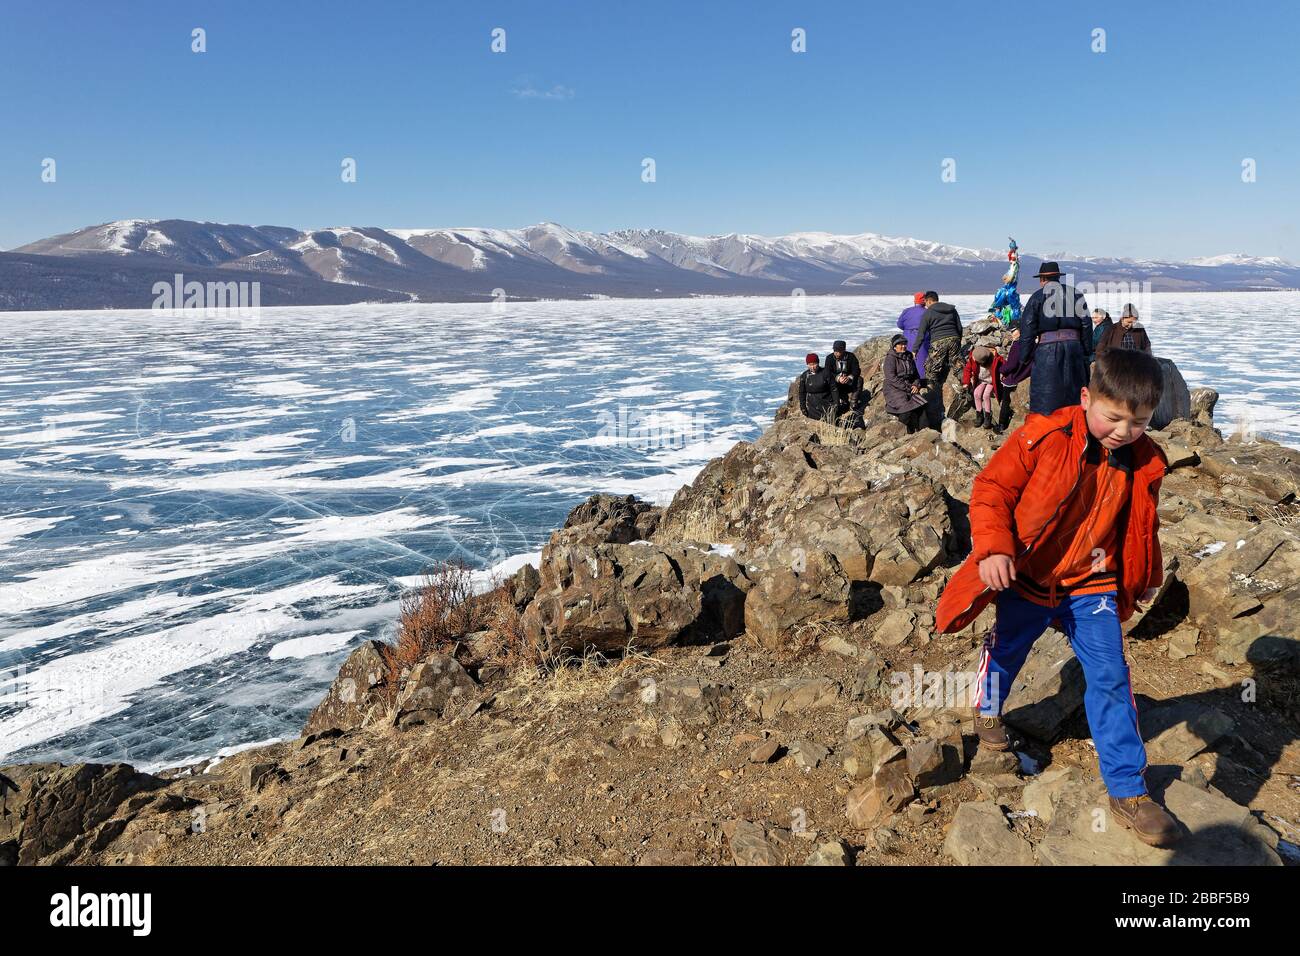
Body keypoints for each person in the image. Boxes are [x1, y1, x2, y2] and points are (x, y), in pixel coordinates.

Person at [934, 349, 1179, 848]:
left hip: (1092, 585)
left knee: (1111, 676)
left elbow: (1140, 527)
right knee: (1007, 650)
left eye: (1138, 422)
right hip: (1029, 576)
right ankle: (988, 709)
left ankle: (1129, 790)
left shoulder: (1145, 459)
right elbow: (991, 490)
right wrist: (995, 550)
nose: (1123, 431)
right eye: (1112, 418)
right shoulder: (1044, 436)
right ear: (1087, 398)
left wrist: (1147, 572)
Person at [1018, 261, 1092, 415]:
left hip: (1047, 353)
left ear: (1042, 279)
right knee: (1075, 400)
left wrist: (1024, 357)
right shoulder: (1076, 294)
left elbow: (1027, 331)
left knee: (1046, 402)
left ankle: (1050, 434)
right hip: (1074, 350)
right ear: (1058, 277)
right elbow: (1086, 324)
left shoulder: (1037, 297)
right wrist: (1085, 351)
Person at [913, 291, 963, 425]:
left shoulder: (928, 313)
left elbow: (921, 333)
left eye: (926, 303)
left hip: (938, 341)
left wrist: (915, 349)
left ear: (928, 301)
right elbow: (959, 327)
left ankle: (933, 394)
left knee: (930, 368)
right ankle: (965, 385)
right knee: (957, 364)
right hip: (954, 338)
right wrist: (958, 341)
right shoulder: (952, 310)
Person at [882, 333, 929, 433]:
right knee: (906, 410)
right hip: (893, 388)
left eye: (904, 344)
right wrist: (909, 388)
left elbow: (915, 374)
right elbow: (891, 378)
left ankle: (924, 432)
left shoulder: (908, 356)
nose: (903, 346)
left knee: (921, 405)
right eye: (900, 344)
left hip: (909, 386)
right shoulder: (890, 358)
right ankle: (903, 433)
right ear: (895, 346)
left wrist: (916, 384)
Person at [961, 345, 1004, 431]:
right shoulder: (974, 356)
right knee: (976, 393)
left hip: (991, 381)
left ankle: (988, 416)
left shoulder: (995, 358)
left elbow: (1004, 366)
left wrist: (1005, 376)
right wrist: (966, 382)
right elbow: (967, 369)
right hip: (981, 380)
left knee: (986, 395)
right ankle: (979, 415)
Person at [824, 339, 863, 421]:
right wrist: (838, 378)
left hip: (848, 382)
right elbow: (827, 373)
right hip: (836, 384)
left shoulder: (851, 357)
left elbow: (856, 370)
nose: (837, 353)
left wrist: (849, 377)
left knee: (859, 380)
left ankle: (853, 402)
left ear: (844, 350)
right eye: (835, 351)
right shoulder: (829, 358)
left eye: (839, 351)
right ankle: (837, 403)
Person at [896, 292, 929, 376]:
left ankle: (908, 380)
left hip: (907, 336)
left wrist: (908, 329)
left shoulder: (906, 311)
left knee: (907, 359)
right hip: (922, 337)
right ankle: (922, 383)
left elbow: (899, 324)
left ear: (915, 301)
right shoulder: (927, 312)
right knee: (921, 361)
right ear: (924, 301)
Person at [797, 352, 836, 422]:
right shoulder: (804, 376)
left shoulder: (826, 373)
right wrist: (803, 407)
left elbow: (834, 389)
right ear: (807, 365)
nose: (812, 367)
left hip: (827, 405)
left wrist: (836, 404)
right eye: (810, 365)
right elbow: (802, 393)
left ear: (818, 363)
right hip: (812, 408)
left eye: (814, 364)